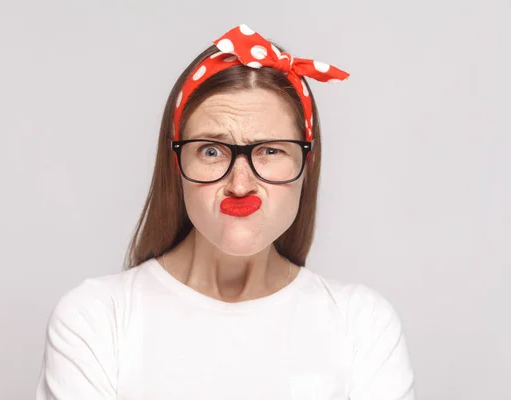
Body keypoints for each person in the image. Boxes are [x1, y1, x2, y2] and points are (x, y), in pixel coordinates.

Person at [35, 24, 415, 399]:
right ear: (175, 163)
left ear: (307, 164)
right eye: (212, 151)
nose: (240, 183)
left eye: (270, 151)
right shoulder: (95, 320)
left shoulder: (363, 326)